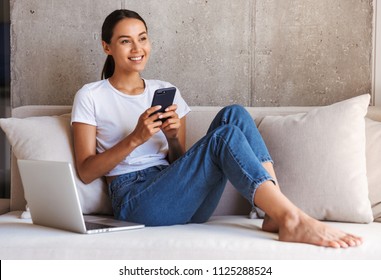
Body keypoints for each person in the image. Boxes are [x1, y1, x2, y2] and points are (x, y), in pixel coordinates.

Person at [71, 9, 362, 248]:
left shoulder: (166, 90)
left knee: (233, 114)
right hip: (135, 201)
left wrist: (171, 138)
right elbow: (86, 171)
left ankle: (274, 212)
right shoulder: (91, 95)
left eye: (143, 39)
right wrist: (136, 138)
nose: (137, 49)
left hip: (179, 195)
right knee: (223, 138)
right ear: (106, 46)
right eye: (125, 41)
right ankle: (292, 219)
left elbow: (178, 161)